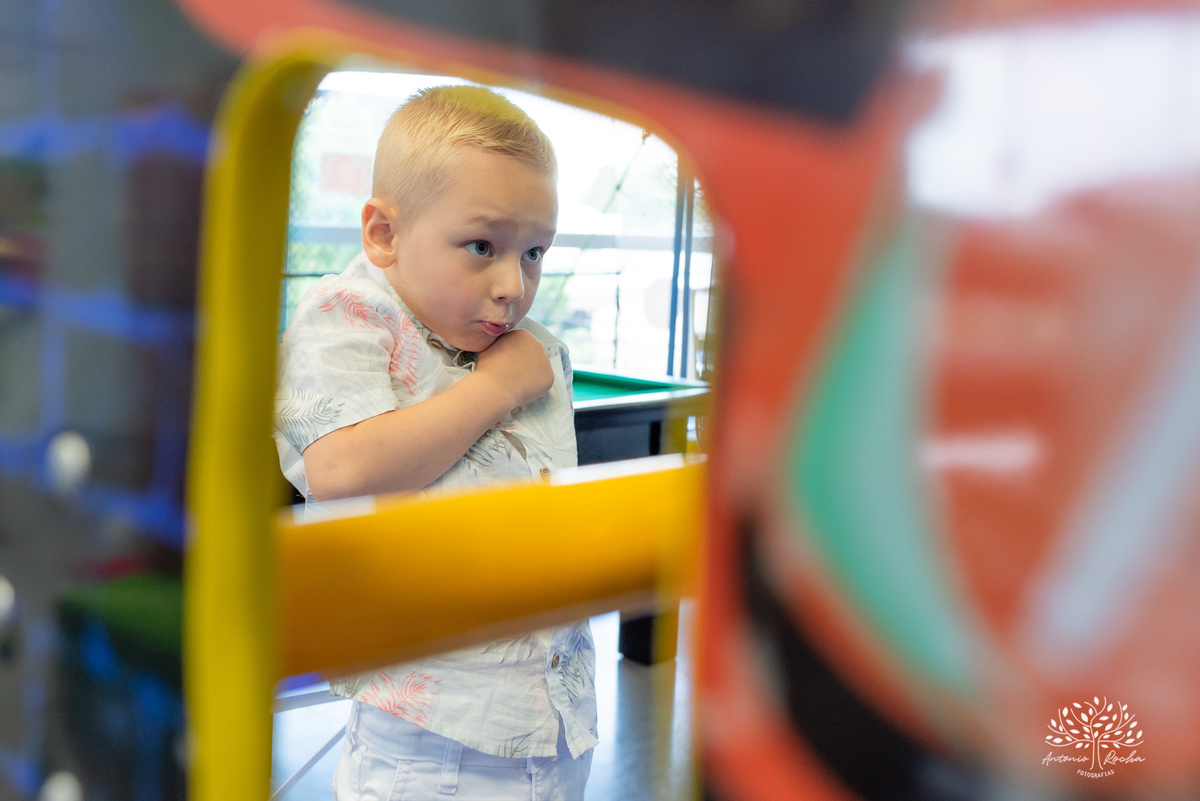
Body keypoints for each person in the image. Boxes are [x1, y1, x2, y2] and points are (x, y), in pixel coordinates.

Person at [273, 85, 596, 800]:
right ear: (384, 234)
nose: (514, 284)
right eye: (482, 246)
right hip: (426, 739)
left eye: (535, 252)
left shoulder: (531, 347)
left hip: (553, 716)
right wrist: (494, 388)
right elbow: (342, 467)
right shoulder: (348, 315)